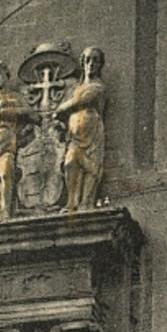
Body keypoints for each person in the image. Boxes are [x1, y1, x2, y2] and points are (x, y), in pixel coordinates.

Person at [52, 46, 107, 213]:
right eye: (87, 59)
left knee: (90, 166)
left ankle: (86, 203)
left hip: (92, 131)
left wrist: (60, 109)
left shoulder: (98, 86)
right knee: (70, 162)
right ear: (83, 62)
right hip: (75, 134)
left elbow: (81, 100)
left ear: (100, 65)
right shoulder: (77, 87)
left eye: (95, 60)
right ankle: (72, 202)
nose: (91, 64)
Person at [0, 62, 33, 221]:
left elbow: (30, 113)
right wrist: (17, 111)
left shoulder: (17, 97)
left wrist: (11, 111)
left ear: (6, 73)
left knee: (5, 172)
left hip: (8, 140)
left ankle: (6, 212)